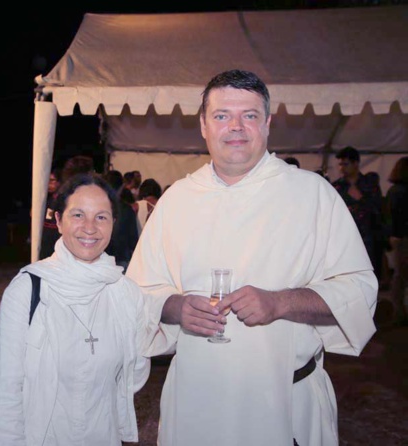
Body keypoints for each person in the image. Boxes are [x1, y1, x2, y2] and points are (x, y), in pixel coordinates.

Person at [126, 69, 377, 446]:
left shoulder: (312, 195)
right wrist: (175, 307)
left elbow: (359, 292)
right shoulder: (177, 199)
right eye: (222, 115)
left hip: (283, 404)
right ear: (203, 125)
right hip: (196, 402)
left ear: (268, 123)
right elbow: (136, 295)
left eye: (250, 115)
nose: (236, 127)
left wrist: (281, 302)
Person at [0, 173, 150, 445]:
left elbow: (134, 374)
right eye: (78, 215)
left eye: (101, 217)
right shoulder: (28, 289)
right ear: (59, 221)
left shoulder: (125, 293)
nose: (89, 228)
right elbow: (4, 390)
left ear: (113, 223)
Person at [332, 146, 385, 283]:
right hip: (346, 237)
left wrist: (361, 198)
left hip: (369, 236)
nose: (342, 168)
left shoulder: (369, 184)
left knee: (371, 272)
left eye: (345, 164)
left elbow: (378, 207)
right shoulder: (337, 187)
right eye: (340, 164)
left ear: (355, 163)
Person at [386, 156, 408, 325]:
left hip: (399, 237)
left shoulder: (394, 191)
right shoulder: (400, 191)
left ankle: (399, 312)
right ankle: (399, 312)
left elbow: (391, 216)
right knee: (401, 276)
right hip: (402, 238)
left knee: (400, 276)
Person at [104, 169, 139, 271]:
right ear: (121, 187)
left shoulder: (96, 207)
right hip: (121, 259)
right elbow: (133, 240)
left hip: (100, 257)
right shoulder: (126, 210)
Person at [38, 168, 62, 260]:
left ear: (59, 182)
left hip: (54, 236)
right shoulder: (47, 197)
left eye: (52, 180)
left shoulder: (60, 198)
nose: (49, 184)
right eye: (47, 181)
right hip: (46, 235)